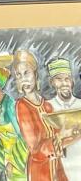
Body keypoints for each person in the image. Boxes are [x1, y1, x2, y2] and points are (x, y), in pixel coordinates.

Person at [14, 50, 73, 181]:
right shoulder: (22, 106)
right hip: (39, 172)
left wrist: (74, 132)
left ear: (35, 74)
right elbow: (35, 149)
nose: (23, 79)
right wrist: (61, 136)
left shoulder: (47, 106)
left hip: (57, 170)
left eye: (26, 73)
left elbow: (60, 142)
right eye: (18, 75)